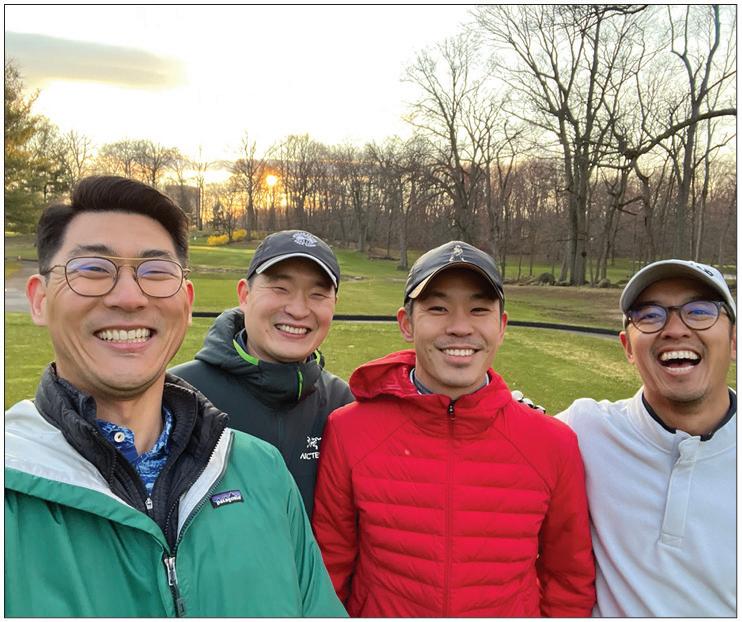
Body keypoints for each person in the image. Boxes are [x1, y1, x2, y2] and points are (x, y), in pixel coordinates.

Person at [5, 176, 346, 617]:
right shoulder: (14, 482)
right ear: (39, 299)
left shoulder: (262, 471)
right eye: (92, 269)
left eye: (155, 272)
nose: (129, 297)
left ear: (186, 303)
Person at [311, 240, 596, 617]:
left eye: (479, 310)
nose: (460, 327)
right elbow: (329, 571)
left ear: (501, 326)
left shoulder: (553, 443)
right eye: (438, 308)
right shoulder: (349, 431)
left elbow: (569, 581)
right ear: (407, 324)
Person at [557, 259, 736, 617]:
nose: (675, 329)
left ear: (734, 341)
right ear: (627, 347)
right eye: (651, 315)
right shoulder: (584, 429)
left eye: (700, 311)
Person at [170, 229, 353, 515]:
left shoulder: (342, 404)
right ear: (244, 295)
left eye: (318, 294)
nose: (298, 310)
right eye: (280, 288)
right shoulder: (179, 396)